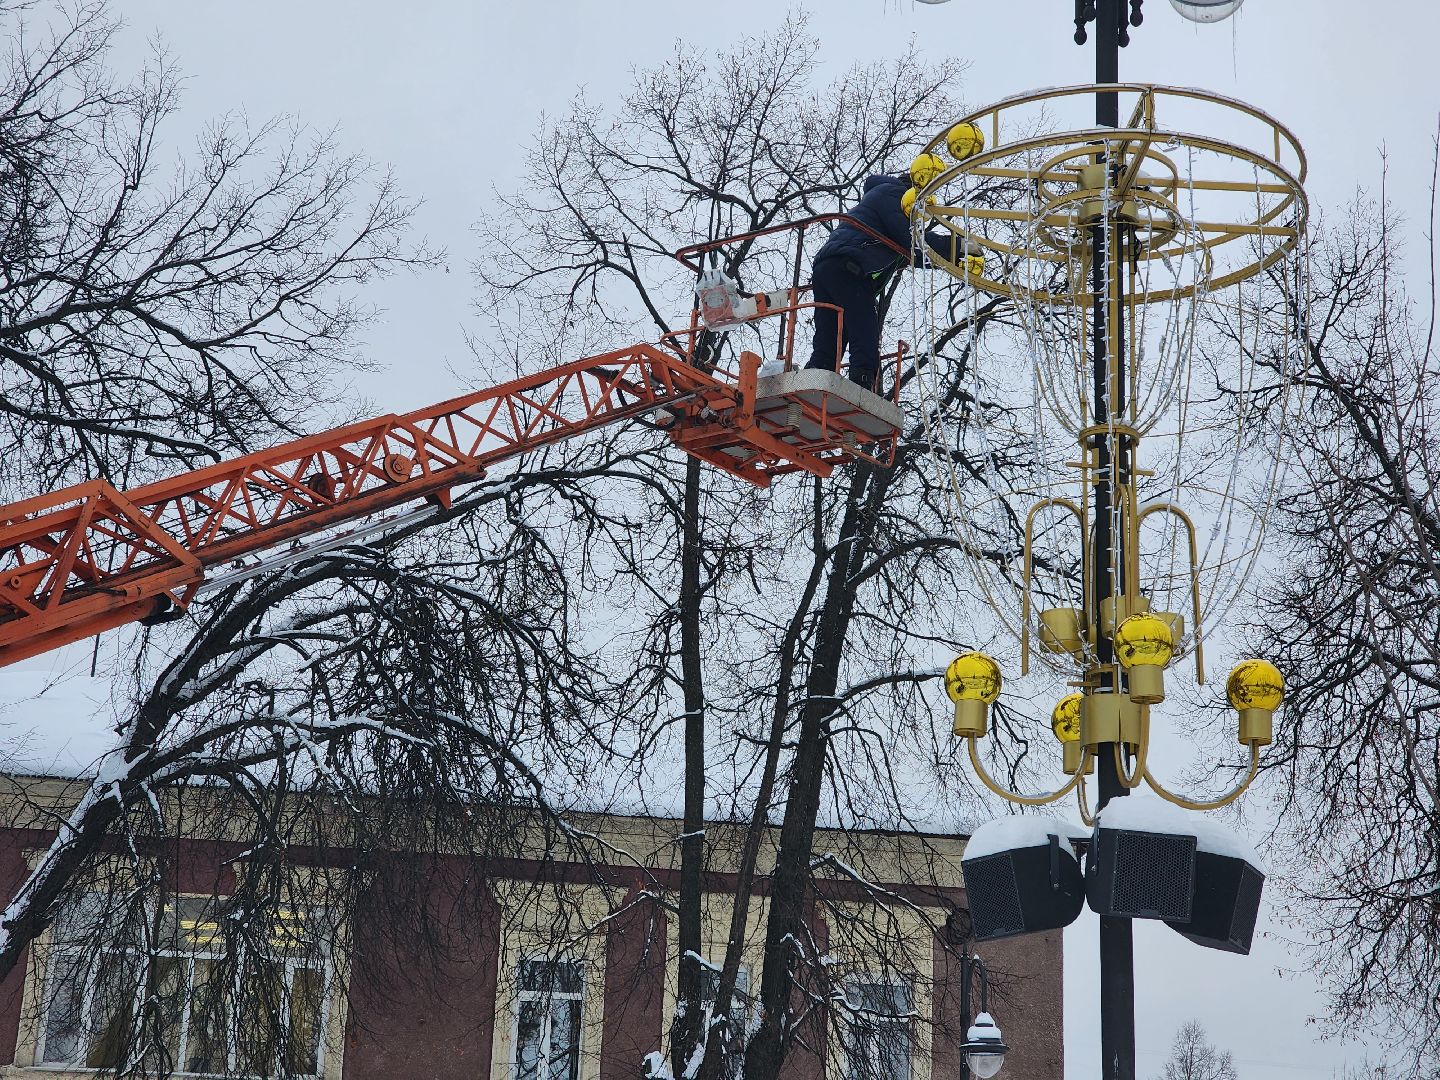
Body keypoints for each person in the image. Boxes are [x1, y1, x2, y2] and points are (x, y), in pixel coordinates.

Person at [806, 154, 957, 392]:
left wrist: (949, 262)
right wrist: (956, 247)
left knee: (833, 331)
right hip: (849, 266)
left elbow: (915, 254)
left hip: (829, 266)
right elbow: (911, 240)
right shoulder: (894, 195)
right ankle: (863, 380)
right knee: (864, 325)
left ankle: (815, 377)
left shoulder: (881, 201)